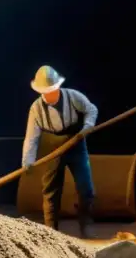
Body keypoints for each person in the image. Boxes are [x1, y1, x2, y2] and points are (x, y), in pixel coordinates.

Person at [21, 65, 98, 238]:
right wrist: (28, 161)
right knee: (51, 190)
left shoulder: (73, 97)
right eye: (45, 92)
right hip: (52, 146)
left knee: (86, 187)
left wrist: (87, 127)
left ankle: (86, 224)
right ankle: (51, 233)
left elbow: (91, 110)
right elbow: (31, 137)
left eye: (52, 90)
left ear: (58, 87)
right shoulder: (36, 109)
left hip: (76, 142)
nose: (49, 95)